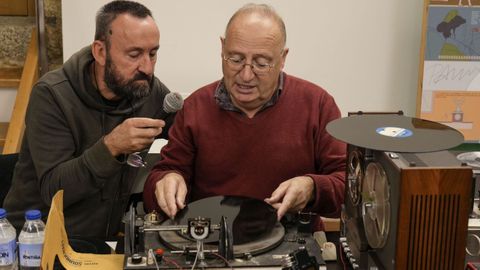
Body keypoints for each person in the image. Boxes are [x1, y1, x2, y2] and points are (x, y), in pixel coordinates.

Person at [143, 3, 346, 229]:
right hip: (212, 246)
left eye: (261, 63)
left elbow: (349, 186)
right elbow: (162, 174)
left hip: (293, 245)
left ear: (283, 58)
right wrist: (166, 181)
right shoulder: (195, 107)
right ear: (222, 48)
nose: (246, 75)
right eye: (236, 59)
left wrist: (312, 187)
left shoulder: (318, 105)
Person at [3, 0, 173, 239]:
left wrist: (174, 173)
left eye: (153, 53)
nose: (147, 67)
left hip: (99, 245)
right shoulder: (52, 94)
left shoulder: (147, 90)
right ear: (100, 52)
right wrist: (111, 146)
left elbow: (189, 138)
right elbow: (55, 191)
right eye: (134, 54)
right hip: (34, 242)